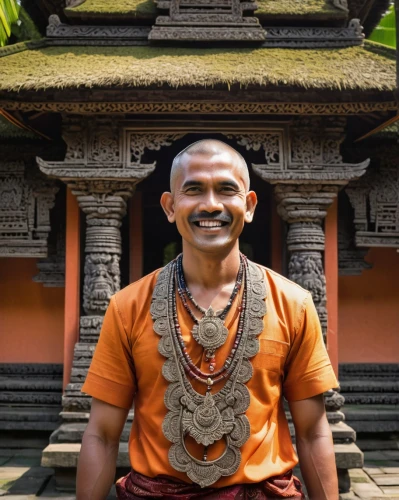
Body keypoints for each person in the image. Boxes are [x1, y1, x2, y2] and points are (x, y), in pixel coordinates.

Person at [77, 139, 339, 499]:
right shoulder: (127, 307)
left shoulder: (293, 304)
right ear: (170, 206)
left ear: (248, 206)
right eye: (194, 189)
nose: (211, 204)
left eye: (226, 190)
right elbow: (101, 434)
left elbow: (313, 431)